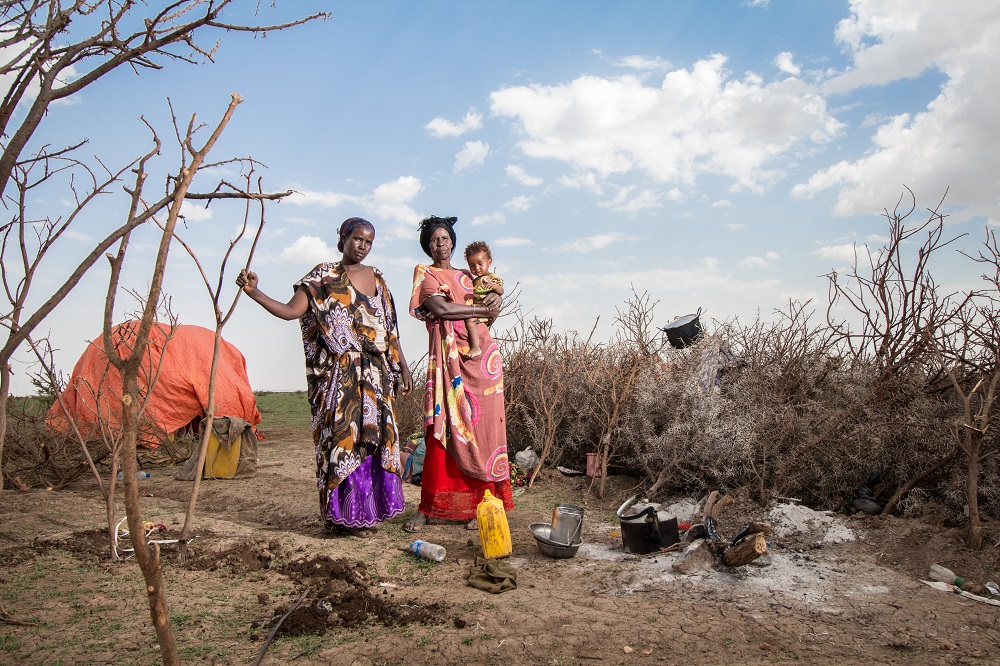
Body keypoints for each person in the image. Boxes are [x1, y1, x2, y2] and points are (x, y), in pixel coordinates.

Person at [235, 217, 413, 537]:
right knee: (343, 444)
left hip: (376, 376)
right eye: (357, 239)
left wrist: (403, 367)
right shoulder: (322, 277)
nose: (363, 246)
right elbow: (291, 311)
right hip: (339, 376)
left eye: (369, 242)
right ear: (343, 239)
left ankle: (366, 515)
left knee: (374, 444)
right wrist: (255, 292)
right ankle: (342, 516)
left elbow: (390, 330)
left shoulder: (379, 280)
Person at [404, 215, 513, 532]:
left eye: (445, 238)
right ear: (428, 245)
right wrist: (482, 309)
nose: (441, 243)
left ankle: (481, 503)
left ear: (453, 241)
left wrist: (496, 297)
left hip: (482, 361)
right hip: (447, 360)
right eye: (434, 239)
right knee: (442, 427)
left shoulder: (469, 274)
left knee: (482, 430)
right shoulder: (426, 274)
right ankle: (427, 508)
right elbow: (441, 309)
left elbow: (490, 299)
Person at [462, 240, 504, 359]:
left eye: (480, 264)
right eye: (472, 265)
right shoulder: (473, 281)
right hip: (477, 309)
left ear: (489, 262)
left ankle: (476, 347)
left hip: (484, 310)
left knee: (470, 322)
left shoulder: (492, 278)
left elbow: (501, 291)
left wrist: (495, 287)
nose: (477, 268)